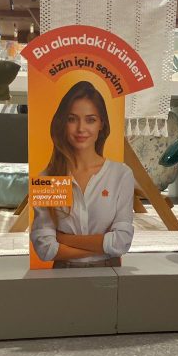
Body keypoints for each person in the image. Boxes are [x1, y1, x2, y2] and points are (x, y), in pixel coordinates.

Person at [30, 81, 135, 267]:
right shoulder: (48, 179)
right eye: (72, 119)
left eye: (90, 120)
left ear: (101, 124)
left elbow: (121, 242)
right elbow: (45, 249)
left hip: (109, 272)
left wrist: (64, 239)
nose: (80, 128)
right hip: (64, 274)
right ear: (63, 123)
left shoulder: (121, 174)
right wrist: (104, 246)